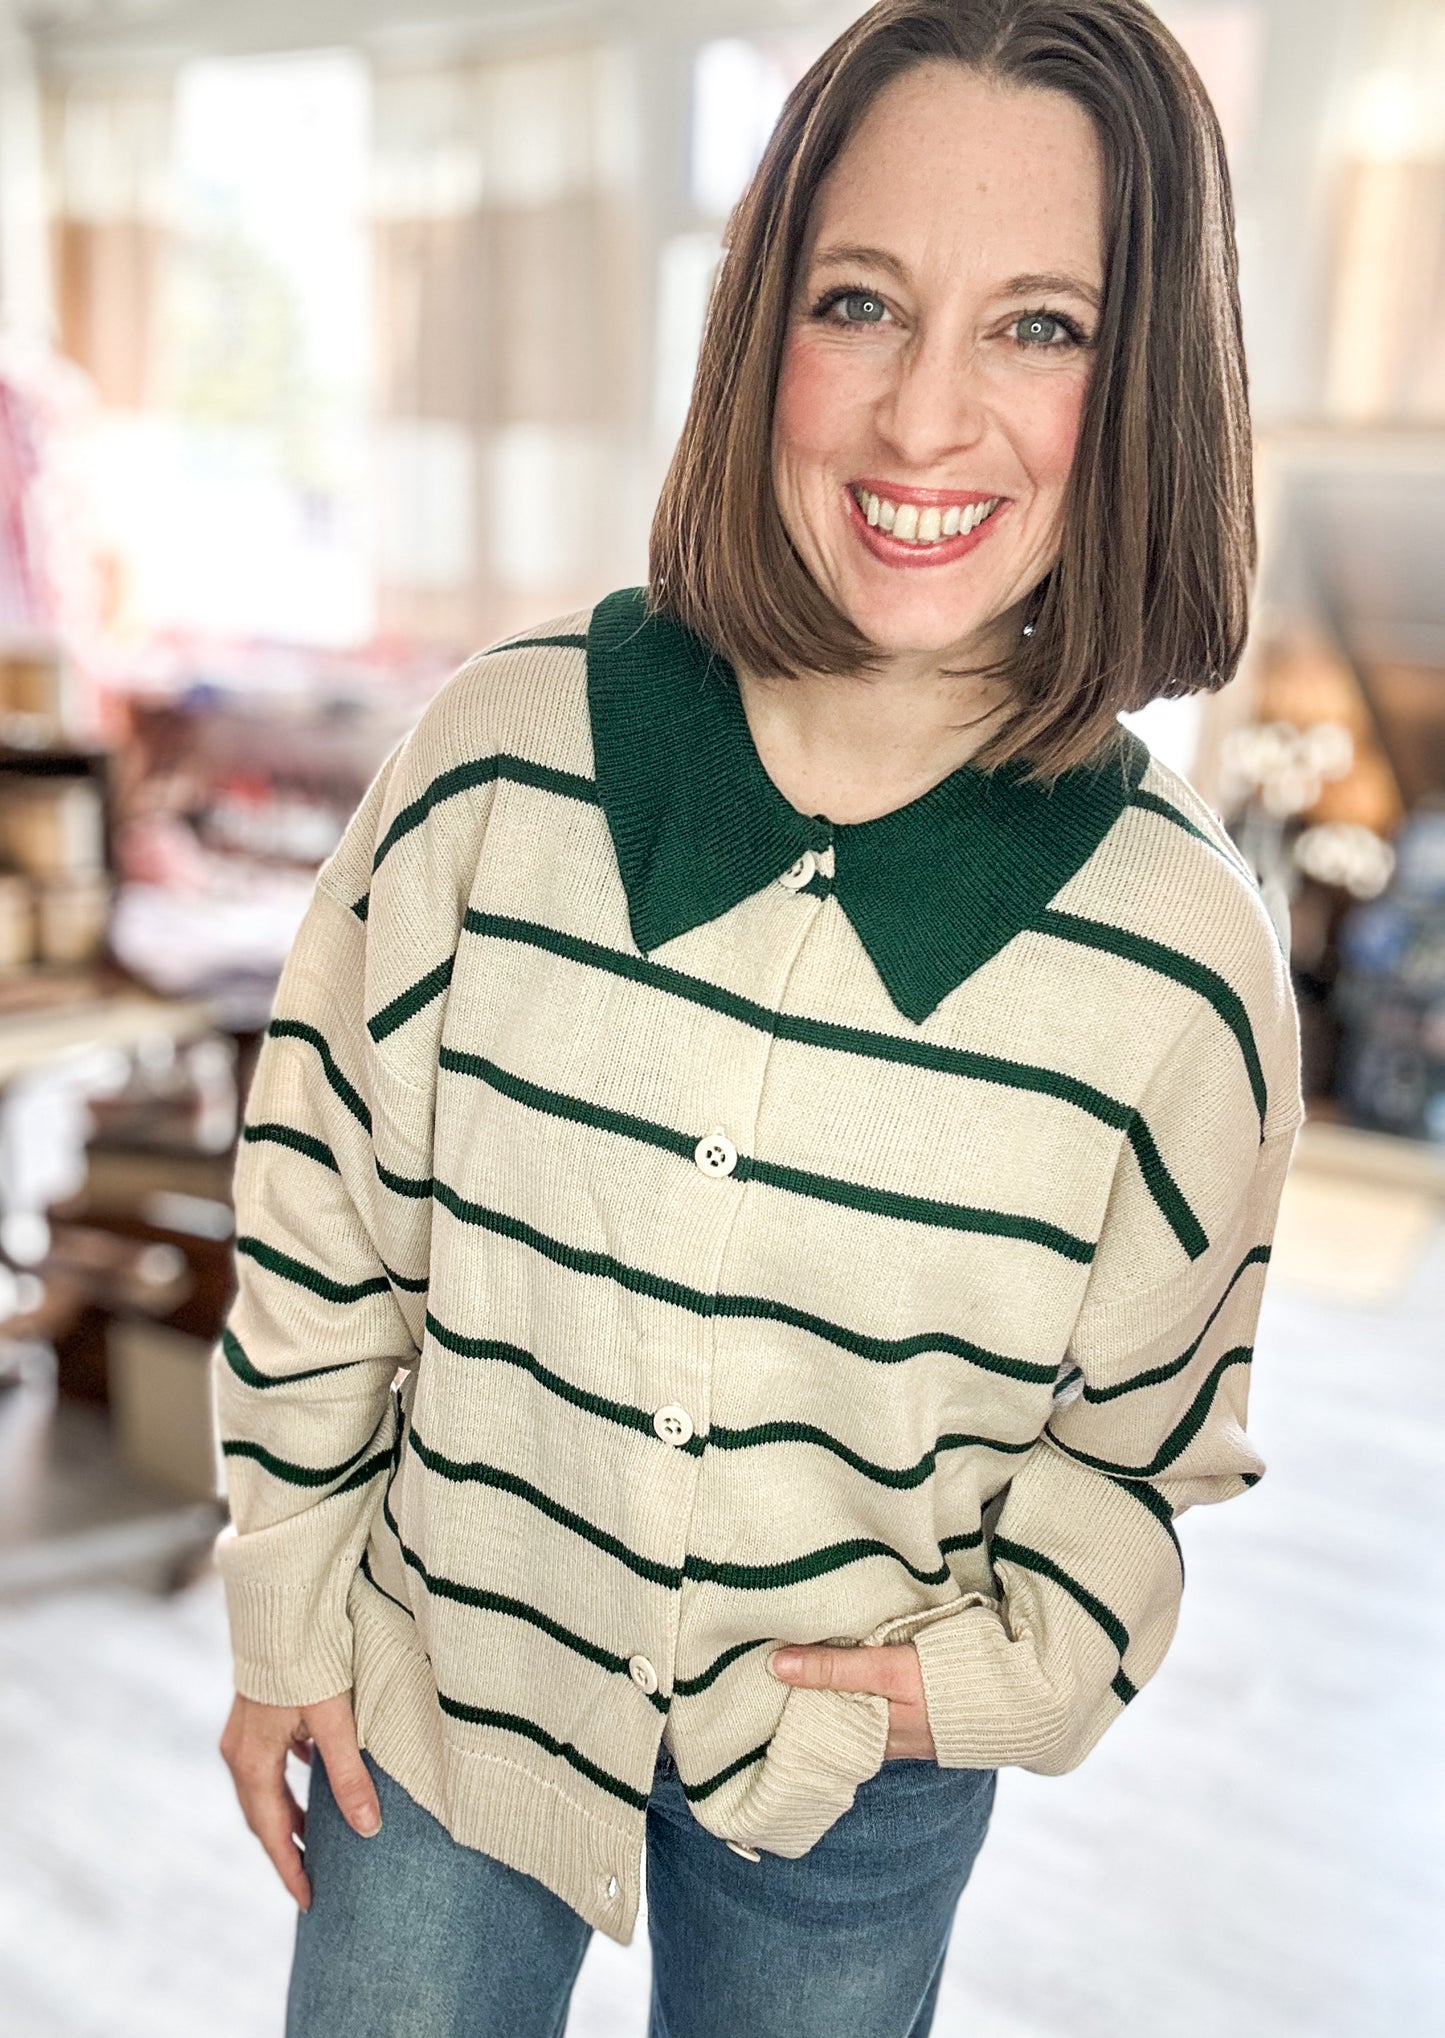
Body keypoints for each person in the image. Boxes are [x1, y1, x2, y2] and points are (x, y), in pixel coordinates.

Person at [215, 2, 1304, 2033]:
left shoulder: (1182, 960)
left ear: (1149, 375)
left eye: (1042, 325)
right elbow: (321, 1208)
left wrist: (955, 1685)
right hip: (439, 1692)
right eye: (862, 300)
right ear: (755, 325)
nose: (923, 421)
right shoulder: (501, 760)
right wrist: (283, 1604)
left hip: (854, 1779)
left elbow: (1136, 1444)